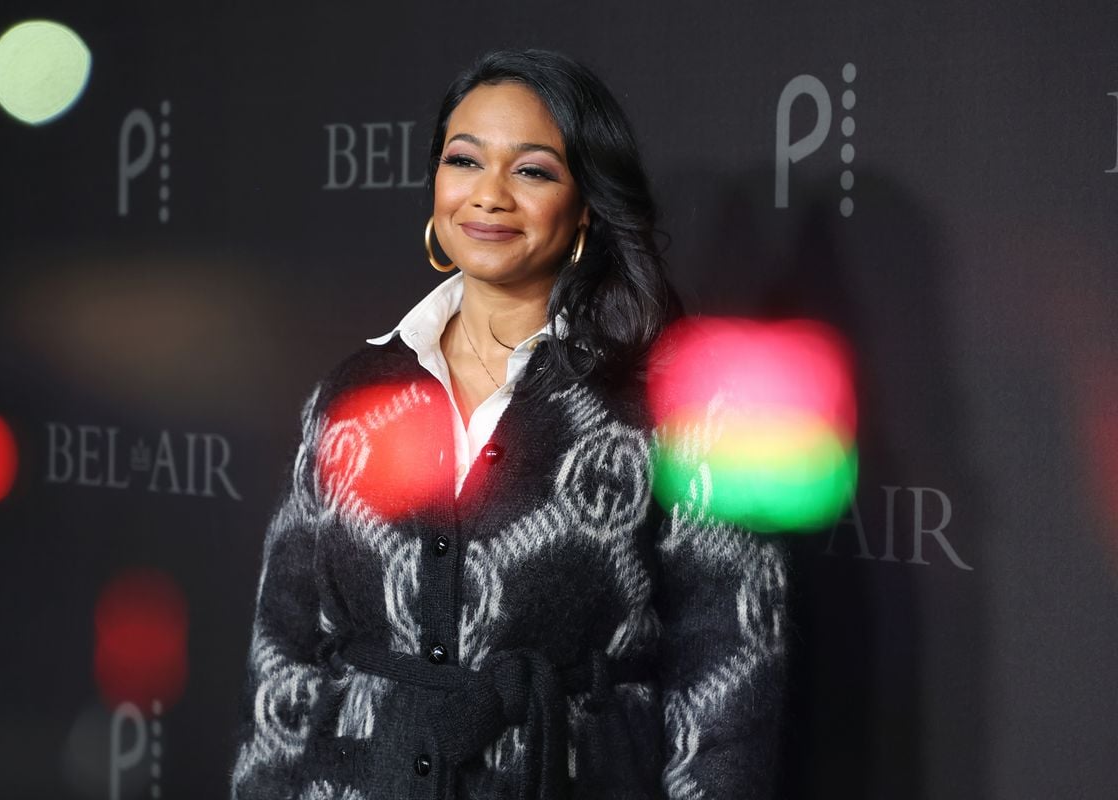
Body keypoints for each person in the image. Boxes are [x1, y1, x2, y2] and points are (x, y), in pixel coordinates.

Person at [231, 49, 786, 800]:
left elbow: (731, 662)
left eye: (532, 171)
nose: (489, 196)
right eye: (465, 161)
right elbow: (285, 647)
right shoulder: (352, 394)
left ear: (586, 202)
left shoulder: (683, 404)